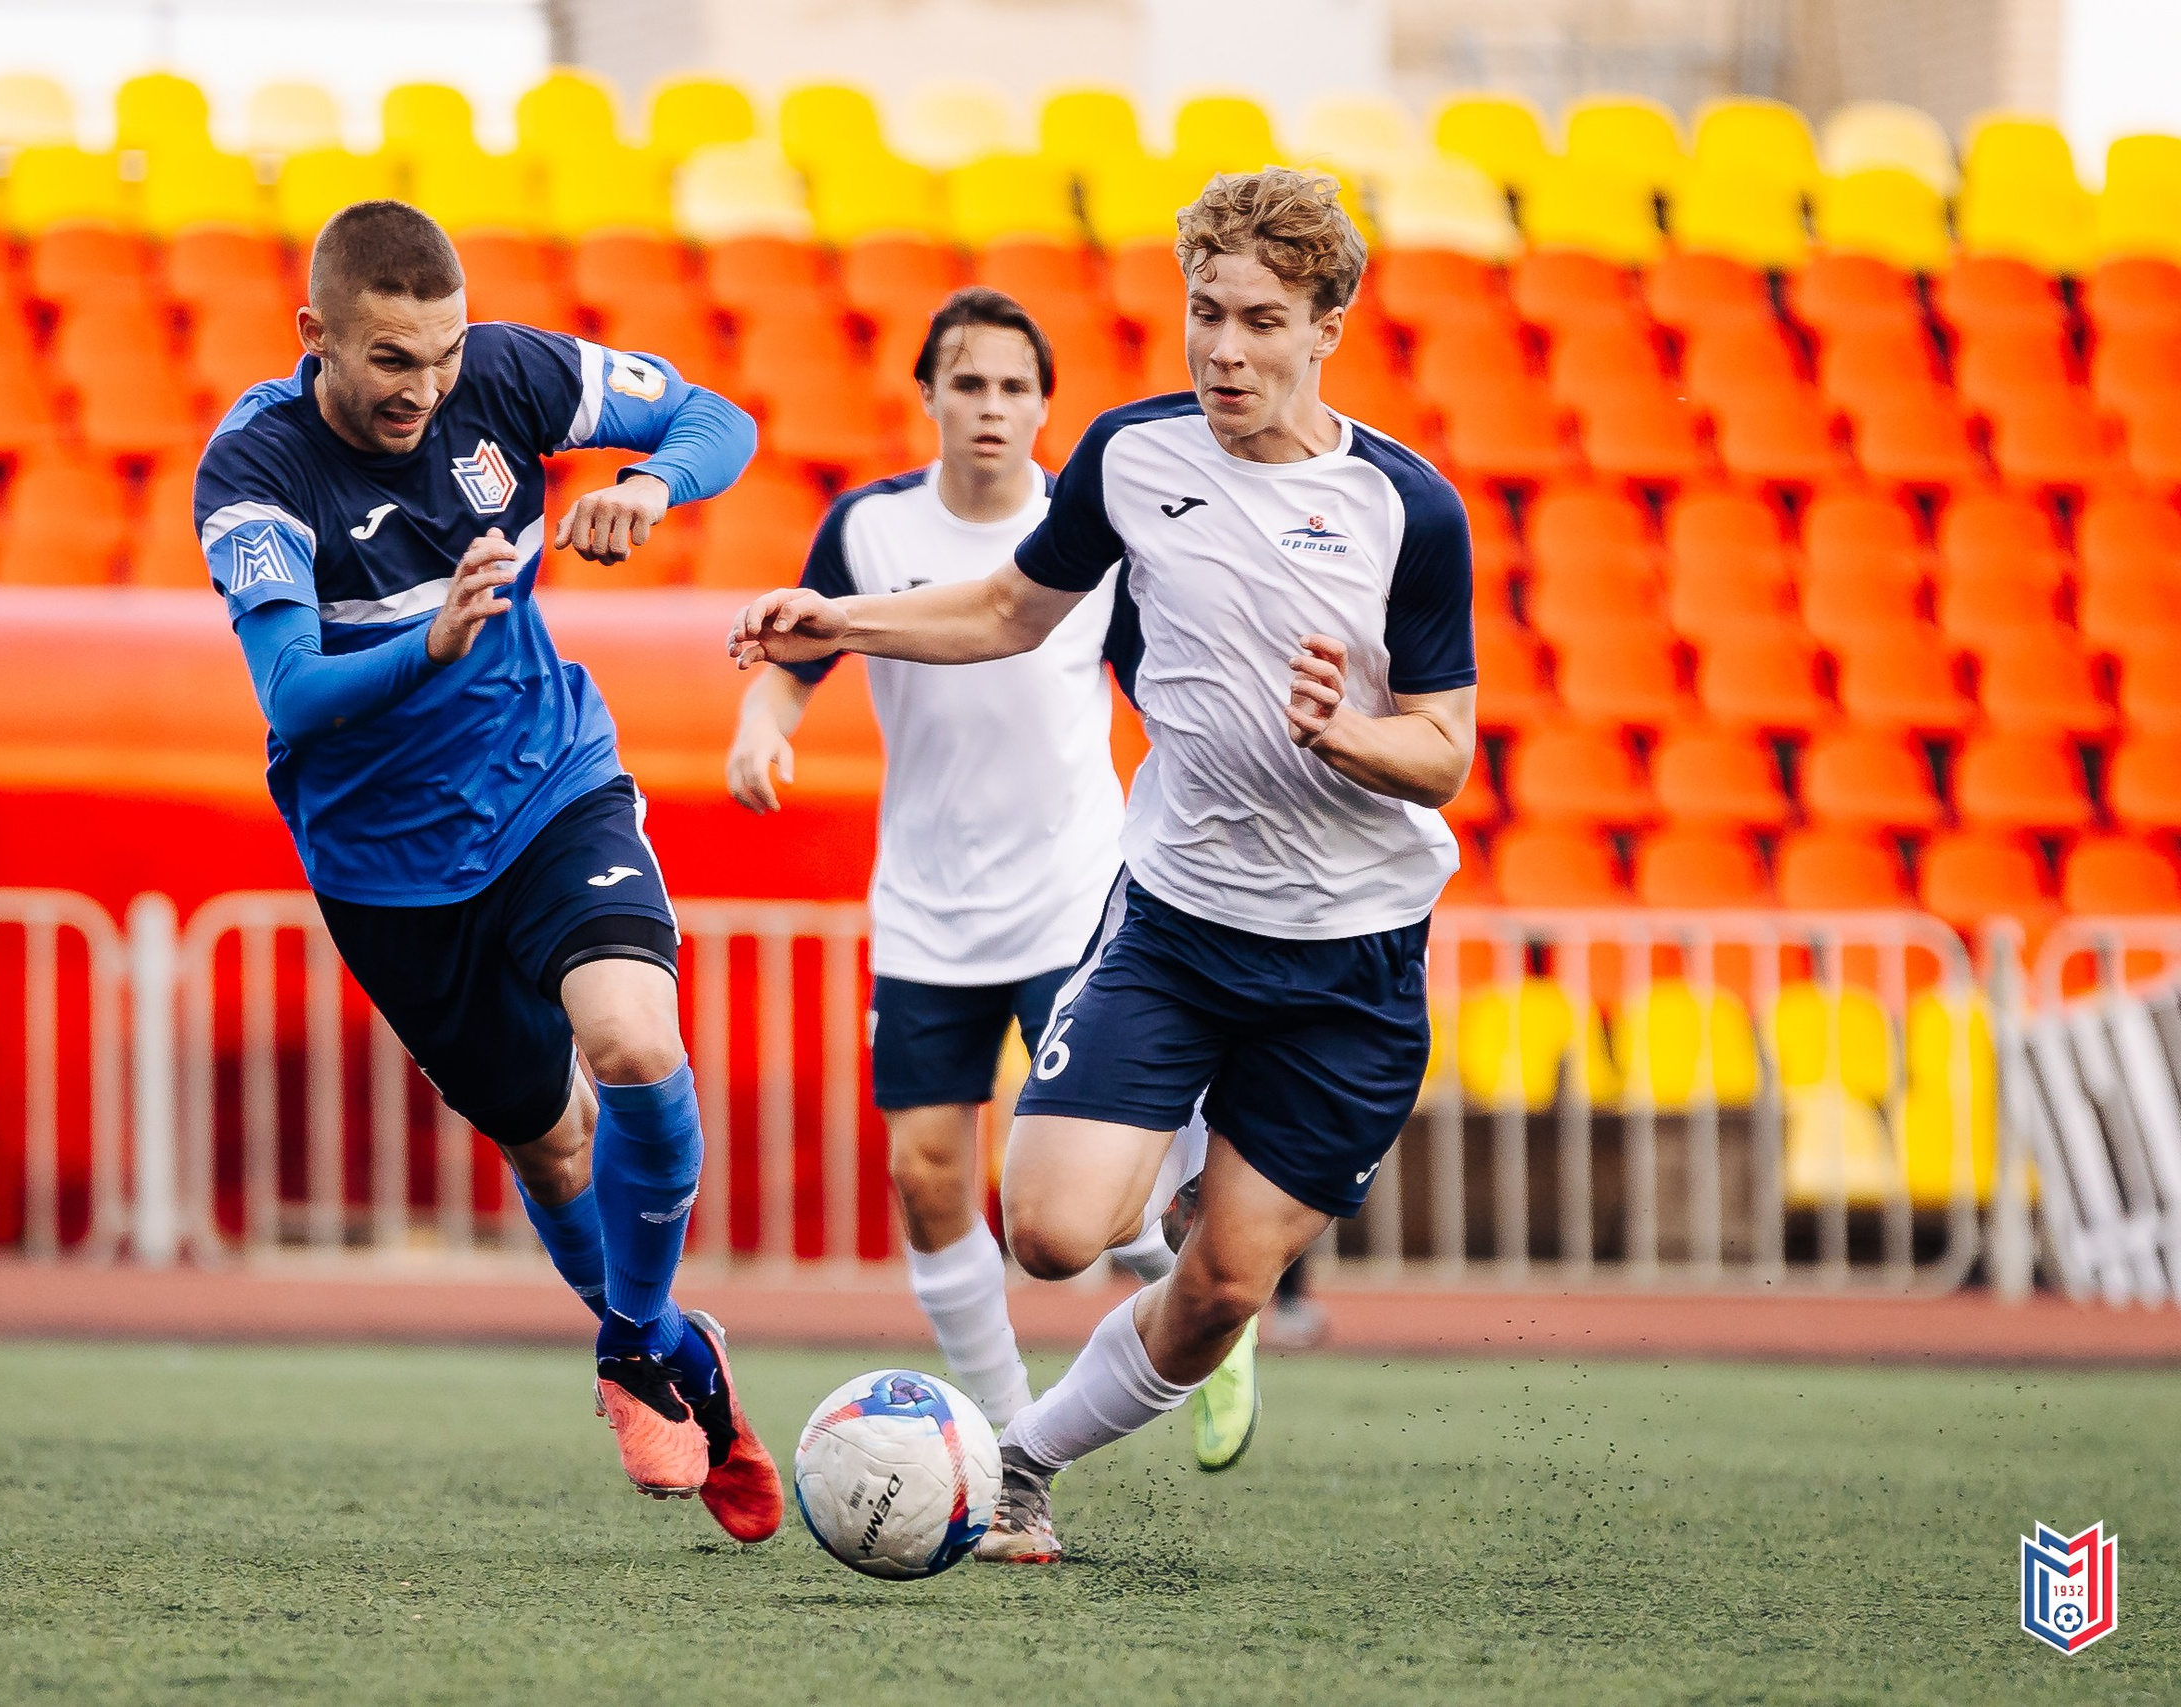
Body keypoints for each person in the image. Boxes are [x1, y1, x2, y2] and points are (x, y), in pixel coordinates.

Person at [726, 166, 1476, 1561]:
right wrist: (834, 620)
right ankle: (1175, 1170)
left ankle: (1019, 1462)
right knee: (1055, 1232)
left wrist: (1352, 736)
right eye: (1204, 312)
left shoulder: (1408, 512)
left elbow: (1447, 753)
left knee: (1225, 1287)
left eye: (1260, 319)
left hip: (1356, 958)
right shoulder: (1134, 457)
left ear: (1329, 325)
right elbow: (1012, 605)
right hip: (1176, 925)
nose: (1224, 348)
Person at [195, 199, 781, 1543]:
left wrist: (646, 484)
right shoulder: (256, 468)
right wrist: (435, 644)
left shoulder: (505, 372)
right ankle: (673, 1345)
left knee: (633, 1040)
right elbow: (290, 693)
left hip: (550, 785)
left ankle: (638, 1342)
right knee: (552, 1134)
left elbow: (717, 419)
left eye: (441, 355)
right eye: (393, 359)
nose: (427, 387)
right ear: (316, 338)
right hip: (390, 869)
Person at [721, 289, 1253, 1461]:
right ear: (927, 397)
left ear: (1045, 404)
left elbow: (1170, 689)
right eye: (969, 383)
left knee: (1092, 1196)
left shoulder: (1087, 532)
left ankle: (1203, 1322)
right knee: (925, 1178)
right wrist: (761, 724)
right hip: (923, 906)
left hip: (1071, 895)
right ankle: (1006, 1435)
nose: (992, 407)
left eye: (1015, 387)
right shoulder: (867, 531)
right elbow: (794, 657)